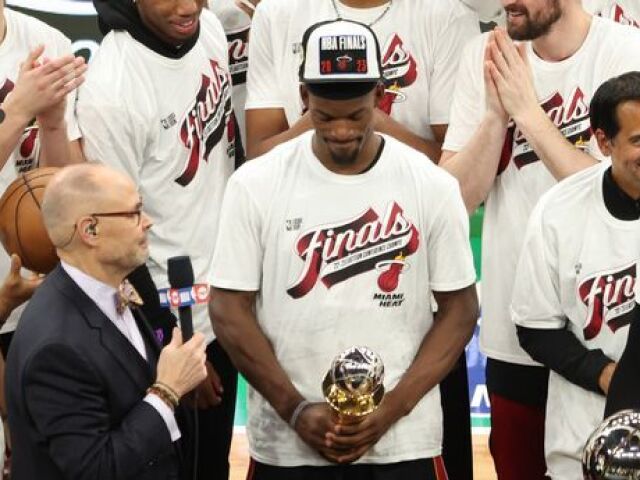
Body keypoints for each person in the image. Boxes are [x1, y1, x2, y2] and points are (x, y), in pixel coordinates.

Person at [208, 19, 478, 480]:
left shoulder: (430, 184)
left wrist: (392, 409)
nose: (340, 131)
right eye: (325, 116)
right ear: (303, 97)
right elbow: (228, 308)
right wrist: (294, 409)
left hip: (403, 444)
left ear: (378, 95)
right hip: (286, 445)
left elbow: (460, 310)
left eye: (355, 115)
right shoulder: (254, 184)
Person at [439, 1, 640, 478]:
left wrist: (528, 113)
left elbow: (624, 189)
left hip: (614, 332)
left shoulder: (623, 50)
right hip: (519, 329)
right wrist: (493, 118)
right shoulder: (485, 56)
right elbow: (451, 205)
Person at [77, 1, 239, 477]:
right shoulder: (111, 89)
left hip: (226, 298)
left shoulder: (208, 26)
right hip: (168, 325)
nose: (187, 5)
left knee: (214, 464)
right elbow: (117, 240)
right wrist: (177, 342)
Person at [5, 163, 208, 479]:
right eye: (135, 213)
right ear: (90, 230)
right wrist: (168, 390)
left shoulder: (114, 286)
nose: (148, 222)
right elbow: (95, 468)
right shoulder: (56, 347)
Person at [511, 71, 640, 479]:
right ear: (604, 142)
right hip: (580, 448)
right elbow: (535, 329)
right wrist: (607, 376)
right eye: (638, 140)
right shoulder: (559, 211)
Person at [244, 0, 479, 161]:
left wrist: (363, 117)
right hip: (302, 207)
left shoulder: (448, 15)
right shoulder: (276, 12)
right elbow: (258, 156)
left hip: (403, 211)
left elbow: (460, 165)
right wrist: (329, 113)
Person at [0, 0, 86, 355]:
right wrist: (18, 110)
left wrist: (53, 125)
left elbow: (72, 184)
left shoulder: (47, 41)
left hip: (43, 293)